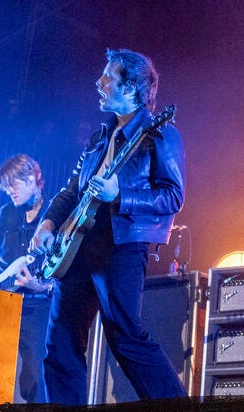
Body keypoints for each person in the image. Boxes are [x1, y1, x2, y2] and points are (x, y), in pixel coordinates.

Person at [28, 49, 187, 404]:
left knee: (125, 336)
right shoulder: (99, 138)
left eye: (108, 78)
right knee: (60, 344)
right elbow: (72, 190)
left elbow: (173, 197)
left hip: (122, 244)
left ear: (132, 87)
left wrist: (122, 195)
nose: (98, 83)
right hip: (76, 247)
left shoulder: (160, 134)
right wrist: (48, 223)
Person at [0, 154, 53, 404]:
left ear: (32, 178)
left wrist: (40, 285)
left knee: (35, 378)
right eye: (5, 188)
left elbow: (65, 271)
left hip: (36, 305)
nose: (9, 193)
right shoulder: (3, 214)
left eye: (12, 186)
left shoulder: (54, 215)